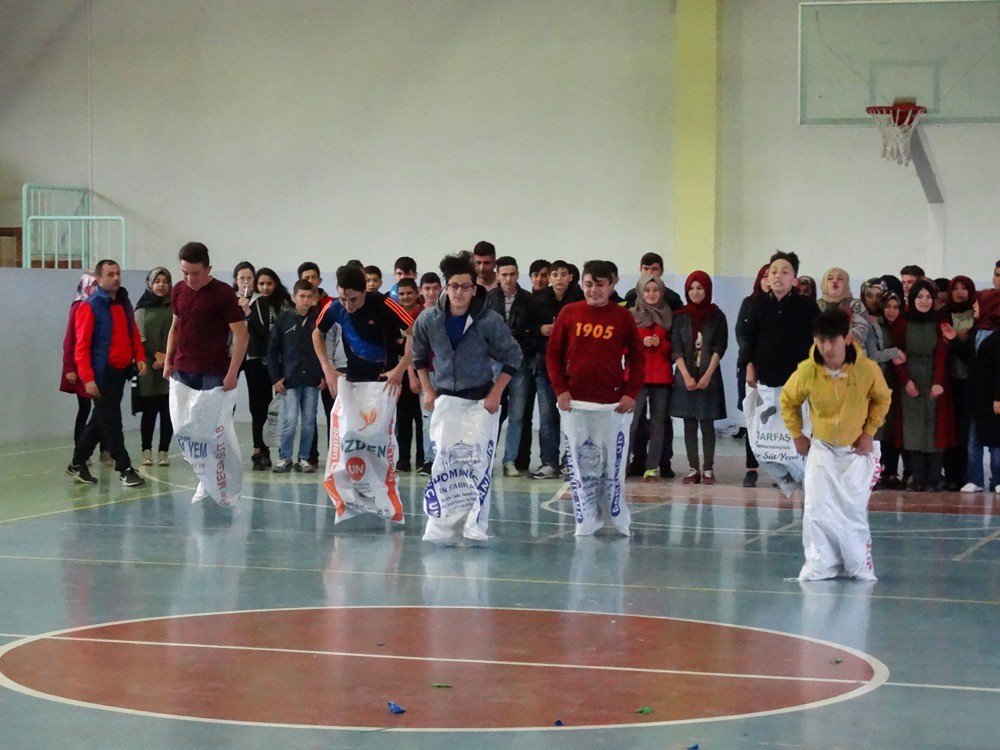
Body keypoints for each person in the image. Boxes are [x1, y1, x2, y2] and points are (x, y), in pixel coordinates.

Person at [412, 251, 522, 540]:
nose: (459, 292)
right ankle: (441, 525)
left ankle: (474, 525)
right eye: (454, 286)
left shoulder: (488, 320)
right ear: (445, 288)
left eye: (465, 286)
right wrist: (428, 388)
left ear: (475, 289)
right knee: (445, 463)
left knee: (477, 465)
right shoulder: (429, 319)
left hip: (480, 401)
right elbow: (419, 355)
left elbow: (514, 355)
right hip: (446, 399)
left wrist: (497, 392)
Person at [781, 307, 891, 581]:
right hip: (822, 449)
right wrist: (797, 434)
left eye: (832, 340)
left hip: (856, 451)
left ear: (847, 339)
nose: (826, 347)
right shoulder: (807, 371)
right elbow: (788, 401)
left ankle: (858, 566)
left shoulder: (867, 370)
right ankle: (820, 565)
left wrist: (869, 433)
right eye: (820, 340)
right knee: (816, 510)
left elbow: (883, 399)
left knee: (851, 511)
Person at [66, 260, 147, 487]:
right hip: (101, 375)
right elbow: (81, 348)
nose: (116, 278)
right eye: (110, 274)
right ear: (99, 279)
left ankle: (77, 462)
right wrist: (88, 379)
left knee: (99, 421)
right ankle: (125, 468)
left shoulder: (124, 303)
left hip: (119, 373)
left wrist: (139, 357)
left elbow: (133, 333)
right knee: (112, 421)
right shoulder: (89, 307)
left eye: (118, 273)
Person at [547, 260, 645, 414]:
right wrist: (560, 389)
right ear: (582, 284)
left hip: (613, 400)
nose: (593, 290)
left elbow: (638, 357)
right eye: (588, 284)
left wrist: (631, 393)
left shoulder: (623, 316)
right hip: (574, 399)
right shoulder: (568, 312)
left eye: (600, 285)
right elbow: (553, 353)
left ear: (611, 286)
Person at [891, 279, 955, 492]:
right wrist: (906, 381)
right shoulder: (901, 322)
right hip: (910, 380)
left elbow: (942, 354)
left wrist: (938, 382)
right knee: (913, 428)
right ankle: (918, 478)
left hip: (935, 380)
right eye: (920, 296)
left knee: (935, 428)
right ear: (912, 298)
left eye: (928, 297)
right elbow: (897, 355)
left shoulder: (941, 322)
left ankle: (934, 479)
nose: (924, 301)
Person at [486, 256, 543, 477]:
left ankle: (509, 459)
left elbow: (536, 332)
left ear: (518, 275)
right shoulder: (490, 299)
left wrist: (518, 342)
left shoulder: (529, 301)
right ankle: (487, 458)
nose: (508, 279)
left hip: (519, 364)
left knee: (518, 414)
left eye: (512, 274)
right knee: (491, 413)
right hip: (494, 364)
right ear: (498, 276)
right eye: (504, 275)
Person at [670, 271, 728, 485]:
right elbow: (675, 349)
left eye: (700, 288)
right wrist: (686, 376)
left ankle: (709, 469)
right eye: (691, 288)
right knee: (689, 423)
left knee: (707, 422)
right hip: (686, 377)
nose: (695, 292)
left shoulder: (717, 316)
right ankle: (693, 468)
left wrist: (707, 376)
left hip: (709, 376)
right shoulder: (680, 316)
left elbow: (719, 348)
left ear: (707, 290)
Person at [531, 259, 584, 478]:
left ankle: (569, 460)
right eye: (555, 274)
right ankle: (549, 462)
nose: (559, 279)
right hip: (546, 366)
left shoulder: (580, 300)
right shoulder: (538, 300)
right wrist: (540, 329)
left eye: (564, 274)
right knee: (547, 416)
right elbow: (527, 329)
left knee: (572, 416)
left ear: (571, 277)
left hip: (573, 369)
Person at [268, 281, 325, 473]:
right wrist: (276, 378)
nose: (305, 300)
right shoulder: (283, 321)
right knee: (290, 420)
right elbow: (272, 352)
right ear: (294, 297)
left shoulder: (319, 320)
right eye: (302, 296)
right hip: (289, 380)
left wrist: (324, 375)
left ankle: (304, 458)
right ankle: (284, 458)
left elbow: (326, 350)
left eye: (309, 296)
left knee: (309, 421)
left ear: (314, 298)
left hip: (313, 380)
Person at [628, 274, 673, 482]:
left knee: (658, 425)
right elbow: (623, 346)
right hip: (637, 378)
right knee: (632, 423)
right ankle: (623, 462)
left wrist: (660, 344)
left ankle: (652, 467)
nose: (651, 294)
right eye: (647, 290)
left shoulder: (668, 315)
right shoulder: (631, 316)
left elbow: (676, 348)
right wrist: (642, 342)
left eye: (655, 290)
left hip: (662, 379)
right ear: (640, 291)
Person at [245, 268, 291, 470]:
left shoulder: (286, 303)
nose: (265, 288)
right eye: (261, 284)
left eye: (269, 283)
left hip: (282, 361)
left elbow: (286, 332)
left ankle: (285, 453)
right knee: (258, 406)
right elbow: (261, 332)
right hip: (256, 361)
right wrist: (248, 313)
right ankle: (261, 451)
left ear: (276, 283)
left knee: (285, 407)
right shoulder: (251, 304)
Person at [134, 267, 174, 467]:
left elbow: (179, 334)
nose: (161, 285)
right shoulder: (141, 309)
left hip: (170, 366)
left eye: (165, 280)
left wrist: (167, 357)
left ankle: (164, 451)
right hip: (148, 368)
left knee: (168, 411)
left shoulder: (175, 308)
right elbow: (139, 337)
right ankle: (146, 450)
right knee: (149, 411)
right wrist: (156, 355)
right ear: (150, 284)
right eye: (157, 281)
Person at [734, 263, 769, 487]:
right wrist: (749, 365)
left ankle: (781, 467)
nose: (769, 279)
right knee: (752, 419)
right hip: (751, 370)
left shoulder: (784, 306)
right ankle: (751, 468)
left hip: (776, 371)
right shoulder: (749, 303)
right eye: (765, 275)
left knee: (779, 420)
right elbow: (742, 336)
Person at [961, 291, 1000, 493]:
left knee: (996, 440)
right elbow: (970, 360)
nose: (974, 307)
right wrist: (957, 341)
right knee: (973, 438)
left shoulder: (997, 334)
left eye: (977, 304)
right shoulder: (975, 332)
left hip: (992, 397)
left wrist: (998, 396)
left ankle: (998, 479)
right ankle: (974, 479)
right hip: (976, 396)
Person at [940, 276, 977, 490]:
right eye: (956, 288)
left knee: (964, 431)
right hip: (946, 380)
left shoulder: (978, 317)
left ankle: (963, 475)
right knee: (947, 428)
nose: (960, 292)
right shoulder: (943, 315)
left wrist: (954, 341)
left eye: (964, 288)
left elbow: (971, 354)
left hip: (968, 382)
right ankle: (949, 473)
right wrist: (956, 340)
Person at [298, 262, 333, 468]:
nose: (310, 281)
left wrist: (328, 369)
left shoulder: (330, 304)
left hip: (328, 369)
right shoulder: (298, 309)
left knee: (331, 414)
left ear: (319, 280)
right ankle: (310, 455)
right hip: (307, 371)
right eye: (306, 278)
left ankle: (333, 455)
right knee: (308, 416)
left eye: (313, 277)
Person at [61, 272, 101, 449]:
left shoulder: (101, 305)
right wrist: (69, 367)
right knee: (85, 408)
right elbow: (70, 339)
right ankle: (80, 448)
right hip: (81, 366)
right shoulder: (79, 306)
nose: (96, 288)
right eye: (93, 284)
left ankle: (105, 449)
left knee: (103, 410)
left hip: (99, 365)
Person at [394, 277, 424, 472]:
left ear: (417, 293)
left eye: (409, 293)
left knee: (422, 418)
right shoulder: (393, 314)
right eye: (402, 294)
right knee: (402, 419)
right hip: (400, 373)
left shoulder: (422, 314)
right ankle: (403, 459)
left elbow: (417, 345)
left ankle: (423, 460)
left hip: (420, 372)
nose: (405, 297)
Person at [415, 272, 443, 475]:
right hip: (425, 372)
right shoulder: (417, 313)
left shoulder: (447, 312)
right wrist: (413, 375)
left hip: (445, 373)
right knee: (428, 418)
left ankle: (444, 457)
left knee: (446, 418)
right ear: (421, 290)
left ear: (441, 288)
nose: (431, 292)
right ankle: (429, 459)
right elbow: (412, 350)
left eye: (435, 288)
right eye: (427, 288)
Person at [877, 291, 905, 487]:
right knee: (881, 428)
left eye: (896, 307)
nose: (891, 311)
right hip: (882, 382)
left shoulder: (904, 327)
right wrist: (894, 353)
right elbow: (872, 354)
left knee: (895, 428)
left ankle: (893, 471)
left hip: (901, 383)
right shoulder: (876, 327)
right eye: (888, 306)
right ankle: (879, 471)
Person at [817, 267, 870, 346]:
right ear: (824, 283)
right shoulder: (816, 305)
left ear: (846, 283)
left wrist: (850, 335)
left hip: (852, 351)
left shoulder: (856, 304)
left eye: (840, 279)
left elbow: (862, 327)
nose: (835, 281)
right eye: (830, 278)